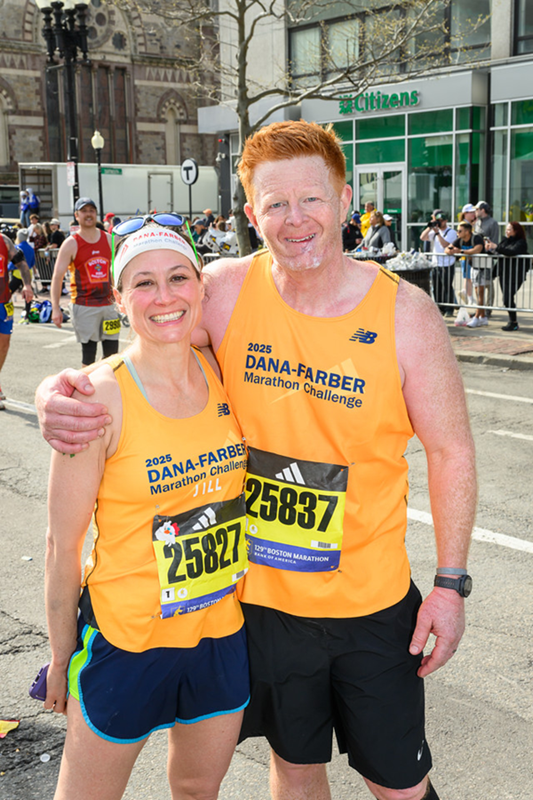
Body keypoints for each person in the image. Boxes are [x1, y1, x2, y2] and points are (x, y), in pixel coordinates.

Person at [36, 120, 476, 800]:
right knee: (294, 771)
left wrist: (449, 584)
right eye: (276, 204)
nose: (295, 219)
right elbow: (153, 333)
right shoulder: (227, 289)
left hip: (370, 602)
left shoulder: (405, 313)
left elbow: (451, 451)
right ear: (251, 213)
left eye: (311, 199)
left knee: (398, 784)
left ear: (344, 199)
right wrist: (59, 392)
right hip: (261, 605)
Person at [45, 217, 250, 800]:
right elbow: (62, 545)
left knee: (197, 789)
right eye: (143, 283)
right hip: (126, 639)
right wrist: (60, 656)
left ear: (201, 288)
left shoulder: (222, 368)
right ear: (119, 299)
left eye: (178, 277)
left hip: (217, 634)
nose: (164, 297)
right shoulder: (97, 397)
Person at [51, 198, 121, 366]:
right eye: (84, 211)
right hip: (84, 305)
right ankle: (88, 382)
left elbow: (120, 271)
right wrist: (55, 308)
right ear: (77, 215)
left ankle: (105, 382)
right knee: (89, 357)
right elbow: (57, 276)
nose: (88, 214)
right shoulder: (71, 243)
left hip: (109, 306)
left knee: (112, 355)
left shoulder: (110, 240)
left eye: (91, 211)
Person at [0, 231, 33, 408]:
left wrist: (27, 285)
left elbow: (21, 263)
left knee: (4, 344)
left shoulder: (4, 241)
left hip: (3, 302)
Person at [485, 221, 529, 331]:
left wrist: (496, 247)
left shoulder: (521, 242)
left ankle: (513, 322)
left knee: (507, 299)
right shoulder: (505, 240)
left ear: (516, 231)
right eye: (506, 229)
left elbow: (511, 252)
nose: (507, 231)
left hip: (515, 275)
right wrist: (490, 250)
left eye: (509, 229)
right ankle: (512, 321)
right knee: (507, 299)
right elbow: (499, 252)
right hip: (503, 273)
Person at [446, 222, 484, 326]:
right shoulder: (460, 240)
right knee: (478, 291)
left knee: (480, 292)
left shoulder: (476, 238)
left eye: (459, 231)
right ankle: (483, 316)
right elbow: (447, 248)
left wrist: (461, 251)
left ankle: (477, 317)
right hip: (473, 267)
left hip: (483, 267)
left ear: (467, 232)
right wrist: (451, 251)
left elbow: (477, 249)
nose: (457, 233)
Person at [420, 211, 457, 316]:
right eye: (438, 221)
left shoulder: (451, 232)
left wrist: (437, 234)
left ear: (446, 221)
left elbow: (445, 245)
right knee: (436, 287)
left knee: (447, 287)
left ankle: (449, 309)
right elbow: (422, 237)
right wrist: (430, 227)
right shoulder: (435, 231)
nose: (440, 223)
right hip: (436, 263)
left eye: (441, 221)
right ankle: (440, 308)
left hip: (447, 264)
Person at [9, 228, 35, 324]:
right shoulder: (31, 248)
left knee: (7, 293)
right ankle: (26, 315)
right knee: (28, 294)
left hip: (18, 274)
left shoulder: (16, 248)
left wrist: (7, 269)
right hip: (29, 273)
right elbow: (32, 262)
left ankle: (6, 313)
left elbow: (13, 263)